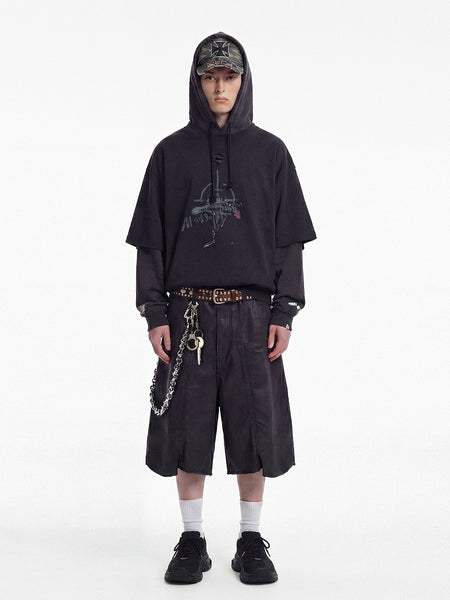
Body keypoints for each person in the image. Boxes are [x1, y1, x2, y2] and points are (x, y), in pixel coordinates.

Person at [125, 31, 317, 585]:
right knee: (188, 429)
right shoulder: (169, 154)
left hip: (253, 315)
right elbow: (150, 242)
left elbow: (289, 241)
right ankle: (192, 538)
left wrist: (284, 312)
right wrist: (155, 313)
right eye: (210, 77)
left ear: (243, 80)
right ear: (197, 82)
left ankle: (251, 539)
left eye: (229, 76)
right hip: (186, 316)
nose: (219, 87)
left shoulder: (271, 153)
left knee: (253, 427)